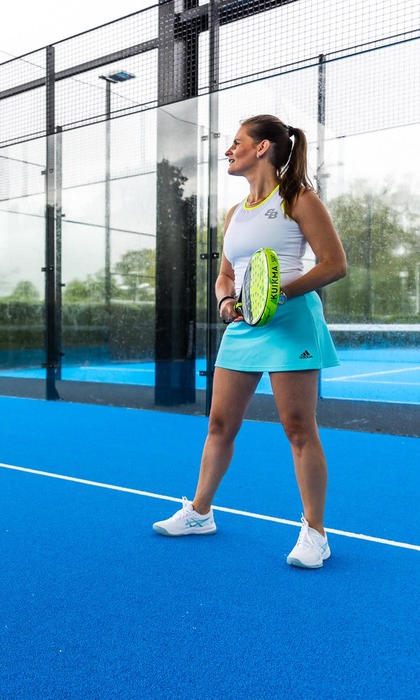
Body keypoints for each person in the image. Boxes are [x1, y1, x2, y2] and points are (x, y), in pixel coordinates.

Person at [152, 115, 348, 569]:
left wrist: (276, 293)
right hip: (244, 328)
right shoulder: (235, 214)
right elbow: (226, 275)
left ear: (261, 148)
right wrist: (226, 303)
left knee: (299, 428)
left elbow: (334, 264)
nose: (228, 150)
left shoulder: (299, 197)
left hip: (291, 323)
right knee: (219, 425)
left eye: (236, 142)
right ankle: (200, 513)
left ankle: (315, 534)